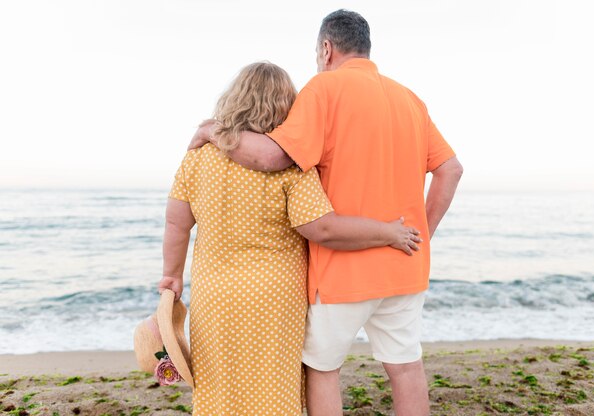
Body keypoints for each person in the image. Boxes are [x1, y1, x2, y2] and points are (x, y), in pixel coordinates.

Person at [189, 10, 463, 416]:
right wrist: (422, 232)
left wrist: (212, 131)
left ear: (326, 48)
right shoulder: (410, 99)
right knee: (405, 369)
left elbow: (273, 156)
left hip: (343, 271)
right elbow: (450, 169)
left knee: (322, 370)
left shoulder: (324, 88)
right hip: (404, 264)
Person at [158, 62, 421, 416]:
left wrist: (172, 275)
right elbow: (321, 228)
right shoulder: (292, 166)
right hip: (276, 297)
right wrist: (387, 232)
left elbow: (177, 224)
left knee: (218, 387)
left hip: (214, 295)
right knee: (274, 386)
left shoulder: (198, 158)